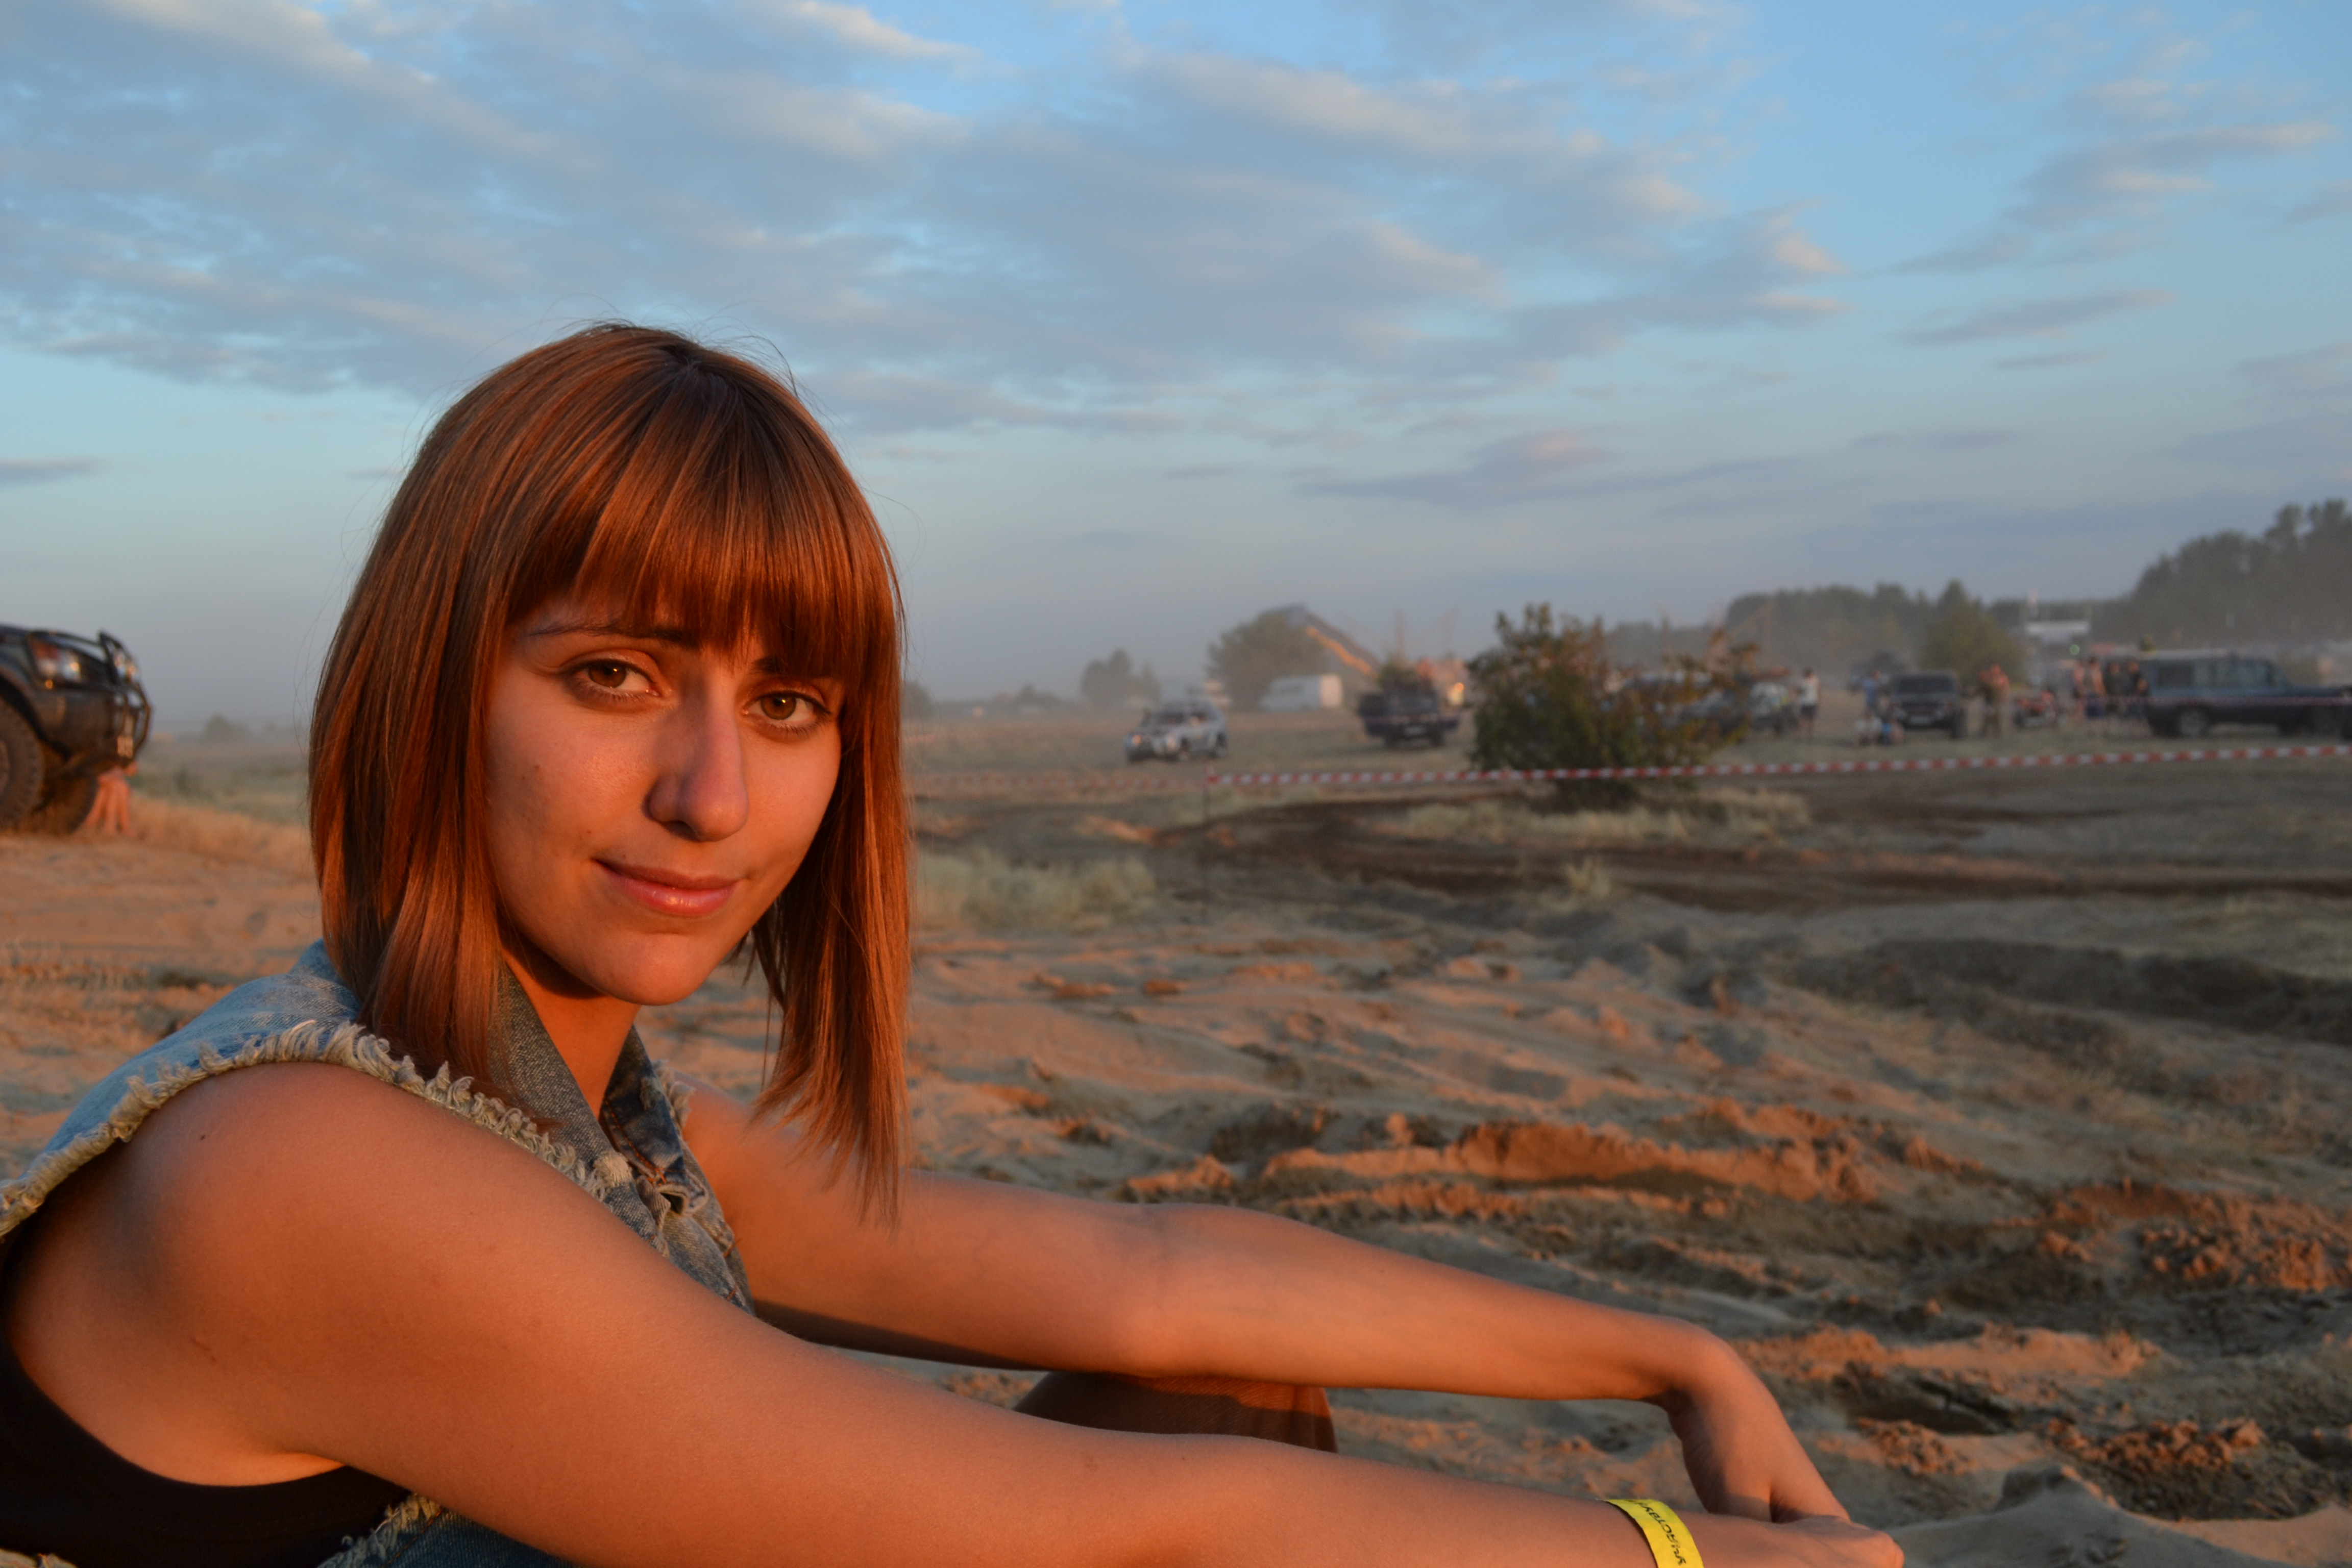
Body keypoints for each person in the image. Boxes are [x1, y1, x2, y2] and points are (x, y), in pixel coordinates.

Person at [0, 326, 1897, 1568]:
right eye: (614, 675)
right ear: (431, 685)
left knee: (1225, 1394)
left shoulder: (585, 1120)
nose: (711, 795)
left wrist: (1673, 1355)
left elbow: (1152, 1285)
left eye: (790, 705)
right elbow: (1135, 1530)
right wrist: (1682, 1551)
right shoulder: (304, 1168)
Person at [85, 762, 135, 834]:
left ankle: (116, 826)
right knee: (117, 787)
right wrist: (119, 772)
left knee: (120, 787)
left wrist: (118, 772)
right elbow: (101, 779)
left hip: (103, 787)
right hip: (90, 785)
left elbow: (132, 770)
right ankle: (116, 826)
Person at [1977, 664, 2008, 740]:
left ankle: (1988, 733)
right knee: (1991, 717)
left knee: (1992, 717)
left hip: (1993, 702)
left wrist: (2003, 697)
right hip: (1991, 702)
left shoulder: (1992, 681)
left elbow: (2004, 687)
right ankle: (1991, 733)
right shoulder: (1990, 681)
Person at [1797, 669, 1820, 740]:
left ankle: (1811, 735)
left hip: (1813, 702)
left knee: (1812, 720)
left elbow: (1819, 690)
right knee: (1802, 719)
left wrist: (1819, 701)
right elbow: (1799, 691)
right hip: (1805, 703)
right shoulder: (1803, 682)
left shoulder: (1815, 681)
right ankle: (1799, 735)